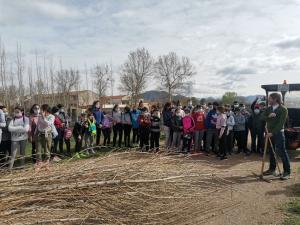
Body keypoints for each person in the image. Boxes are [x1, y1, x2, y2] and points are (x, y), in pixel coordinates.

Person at [262, 93, 291, 180]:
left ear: (275, 99)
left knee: (282, 152)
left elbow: (280, 124)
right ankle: (272, 169)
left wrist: (272, 133)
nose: (268, 100)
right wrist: (268, 116)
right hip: (269, 132)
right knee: (271, 151)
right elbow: (262, 117)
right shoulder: (269, 108)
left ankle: (287, 172)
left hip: (278, 133)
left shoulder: (283, 109)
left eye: (270, 98)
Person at [34, 104, 57, 172]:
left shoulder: (52, 116)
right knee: (38, 150)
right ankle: (39, 164)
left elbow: (49, 124)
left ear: (47, 110)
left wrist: (44, 117)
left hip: (47, 134)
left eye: (43, 110)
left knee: (47, 150)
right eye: (42, 110)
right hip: (39, 134)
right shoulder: (40, 116)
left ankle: (47, 164)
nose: (41, 111)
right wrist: (35, 133)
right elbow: (38, 125)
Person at [8, 106, 29, 171]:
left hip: (23, 138)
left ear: (22, 112)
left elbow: (26, 129)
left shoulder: (26, 119)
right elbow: (9, 128)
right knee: (13, 154)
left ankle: (22, 167)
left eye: (17, 112)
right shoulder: (13, 119)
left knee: (22, 153)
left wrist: (15, 129)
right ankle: (10, 168)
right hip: (14, 139)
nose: (16, 113)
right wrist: (20, 127)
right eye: (15, 111)